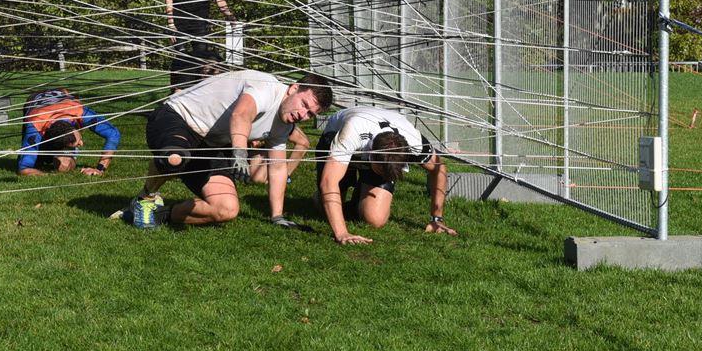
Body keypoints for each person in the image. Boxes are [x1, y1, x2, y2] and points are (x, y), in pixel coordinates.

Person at [121, 70, 333, 228]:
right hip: (179, 118)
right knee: (175, 157)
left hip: (209, 144)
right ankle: (145, 198)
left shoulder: (285, 124)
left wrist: (277, 216)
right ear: (294, 88)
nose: (303, 115)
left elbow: (277, 168)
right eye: (304, 104)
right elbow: (241, 114)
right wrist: (239, 152)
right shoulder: (267, 87)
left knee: (226, 209)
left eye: (310, 114)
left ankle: (159, 214)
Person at [315, 106, 457, 245]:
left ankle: (357, 201)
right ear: (372, 156)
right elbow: (328, 182)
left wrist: (436, 219)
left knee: (375, 219)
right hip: (336, 136)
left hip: (374, 150)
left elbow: (439, 169)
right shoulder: (352, 132)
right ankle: (333, 193)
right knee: (324, 209)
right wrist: (342, 233)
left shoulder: (414, 141)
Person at [165, 0, 235, 92]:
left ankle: (197, 92)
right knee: (181, 57)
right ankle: (176, 91)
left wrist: (229, 15)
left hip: (200, 22)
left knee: (201, 58)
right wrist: (170, 24)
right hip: (180, 21)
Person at [17, 88, 120, 177]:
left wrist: (100, 169)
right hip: (34, 100)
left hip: (63, 98)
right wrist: (49, 176)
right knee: (37, 162)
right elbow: (24, 169)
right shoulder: (35, 125)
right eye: (77, 142)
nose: (82, 143)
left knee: (64, 166)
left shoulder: (80, 112)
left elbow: (113, 133)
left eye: (79, 139)